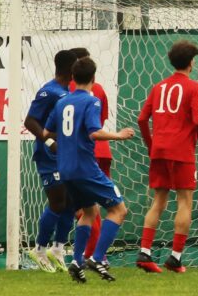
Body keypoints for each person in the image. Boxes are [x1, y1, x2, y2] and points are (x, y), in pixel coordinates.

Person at [44, 56, 134, 283]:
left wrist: (67, 136)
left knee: (90, 211)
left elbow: (46, 133)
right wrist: (118, 135)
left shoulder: (62, 102)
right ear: (93, 78)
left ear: (73, 77)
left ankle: (76, 261)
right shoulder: (92, 101)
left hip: (65, 169)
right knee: (119, 210)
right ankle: (95, 258)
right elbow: (94, 131)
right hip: (85, 167)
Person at [135, 40, 198, 274]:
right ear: (190, 62)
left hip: (159, 150)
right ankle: (175, 257)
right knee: (185, 201)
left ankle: (145, 252)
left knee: (158, 200)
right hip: (181, 151)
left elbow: (141, 119)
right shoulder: (195, 87)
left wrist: (150, 144)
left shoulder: (158, 87)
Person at [24, 50, 78, 272]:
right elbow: (30, 121)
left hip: (66, 155)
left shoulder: (66, 91)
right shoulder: (49, 91)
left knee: (71, 203)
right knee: (57, 202)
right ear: (68, 69)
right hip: (49, 156)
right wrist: (49, 143)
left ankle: (57, 248)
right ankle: (38, 249)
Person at [69, 47, 113, 265]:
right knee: (95, 206)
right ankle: (96, 255)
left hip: (82, 154)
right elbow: (99, 122)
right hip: (102, 150)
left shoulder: (69, 91)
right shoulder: (100, 89)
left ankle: (93, 255)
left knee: (85, 207)